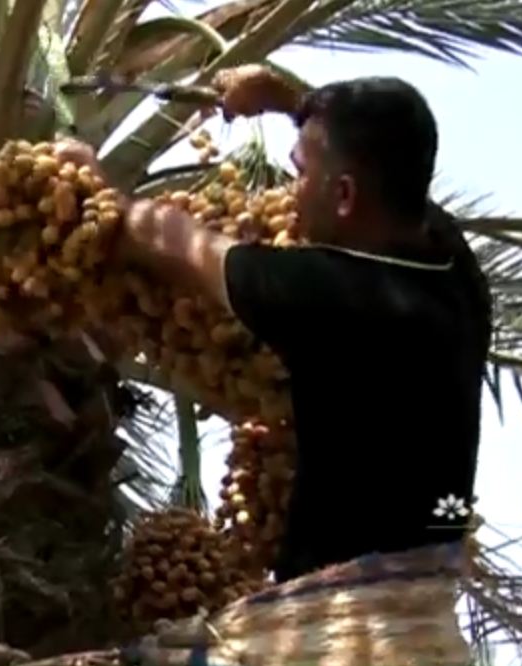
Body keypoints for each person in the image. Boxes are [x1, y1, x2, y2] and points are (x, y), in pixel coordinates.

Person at [57, 66, 492, 582]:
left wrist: (98, 194)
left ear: (346, 195)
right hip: (423, 607)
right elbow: (383, 161)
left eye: (301, 173)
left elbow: (177, 243)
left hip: (340, 624)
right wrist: (287, 100)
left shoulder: (329, 296)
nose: (291, 191)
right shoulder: (454, 271)